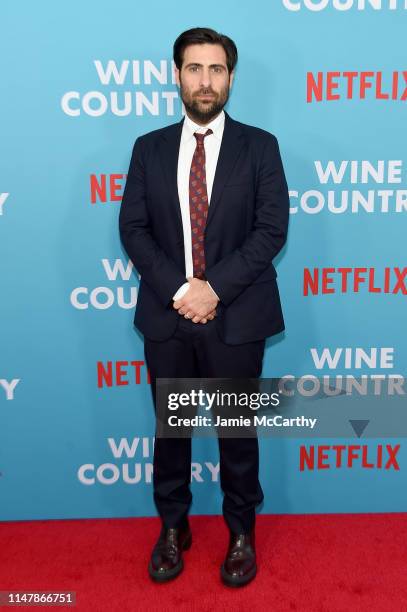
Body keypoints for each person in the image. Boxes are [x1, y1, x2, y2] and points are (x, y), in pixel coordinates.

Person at [119, 27, 289, 587]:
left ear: (231, 78)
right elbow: (134, 229)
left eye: (216, 70)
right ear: (177, 75)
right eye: (195, 69)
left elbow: (270, 230)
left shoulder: (260, 146)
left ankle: (242, 530)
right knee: (173, 431)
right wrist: (180, 291)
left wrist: (212, 288)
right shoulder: (149, 148)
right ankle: (174, 527)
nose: (206, 81)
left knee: (237, 432)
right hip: (168, 318)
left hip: (236, 317)